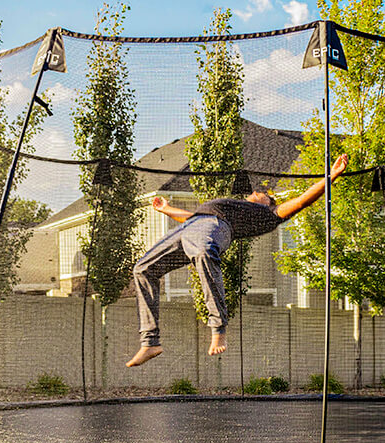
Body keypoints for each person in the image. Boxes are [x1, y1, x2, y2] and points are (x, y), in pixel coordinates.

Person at [127, 153, 349, 367]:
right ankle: (150, 342)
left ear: (268, 203)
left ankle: (218, 328)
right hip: (191, 227)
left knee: (204, 253)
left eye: (261, 194)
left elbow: (301, 201)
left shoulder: (269, 215)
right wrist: (167, 209)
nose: (255, 192)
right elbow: (193, 219)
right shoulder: (232, 206)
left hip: (215, 228)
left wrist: (331, 176)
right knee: (143, 269)